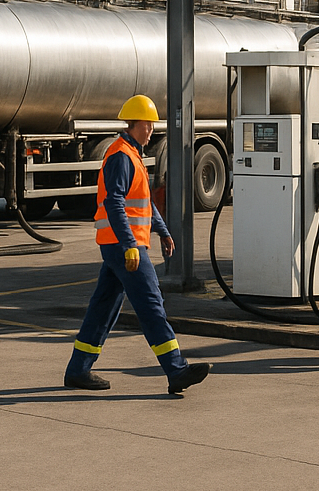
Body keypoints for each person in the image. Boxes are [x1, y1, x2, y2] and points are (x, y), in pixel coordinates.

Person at [63, 94, 210, 395]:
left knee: (103, 308)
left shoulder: (132, 154)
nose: (152, 130)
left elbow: (143, 204)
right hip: (124, 246)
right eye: (148, 125)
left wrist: (163, 230)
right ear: (134, 125)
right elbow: (114, 202)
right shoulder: (120, 156)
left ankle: (78, 369)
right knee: (151, 303)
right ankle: (176, 369)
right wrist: (130, 244)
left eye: (153, 125)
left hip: (120, 244)